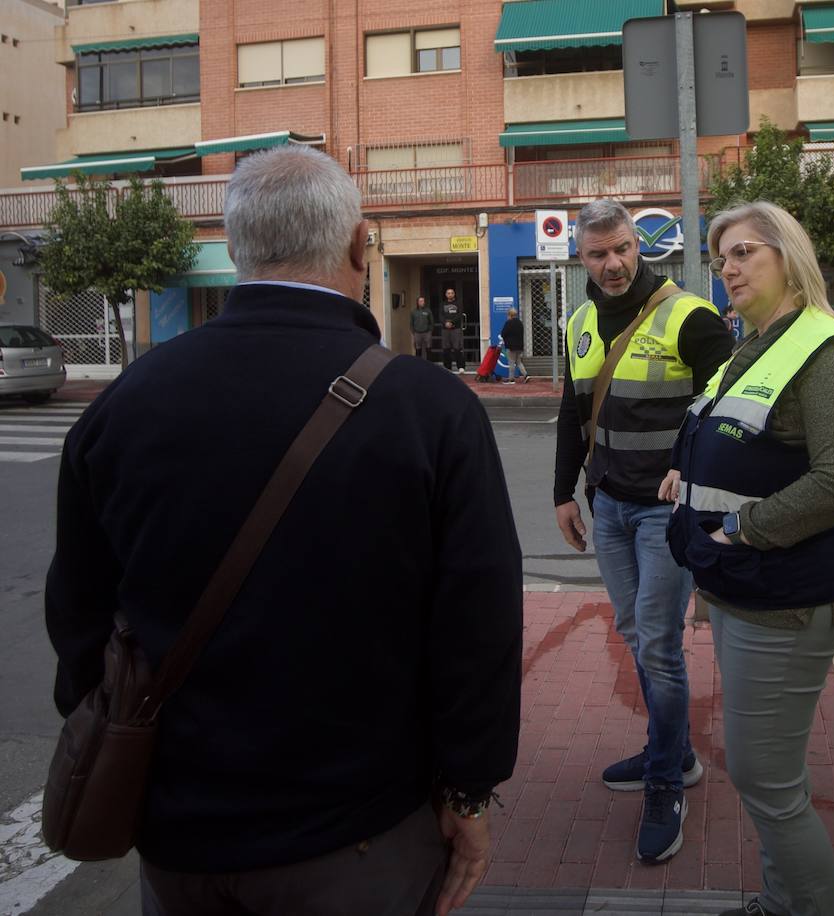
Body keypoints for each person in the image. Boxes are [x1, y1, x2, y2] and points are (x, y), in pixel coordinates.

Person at [45, 145, 524, 916]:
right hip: (360, 831)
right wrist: (469, 790)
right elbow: (478, 625)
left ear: (234, 249)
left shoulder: (127, 402)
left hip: (179, 830)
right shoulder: (428, 409)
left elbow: (78, 613)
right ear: (360, 244)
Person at [662, 201, 834, 916]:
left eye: (744, 251)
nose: (728, 267)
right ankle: (783, 903)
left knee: (766, 783)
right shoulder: (752, 344)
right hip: (742, 589)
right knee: (769, 775)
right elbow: (737, 440)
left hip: (785, 595)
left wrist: (738, 531)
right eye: (722, 256)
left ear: (788, 255)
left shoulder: (825, 350)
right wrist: (685, 479)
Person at [553, 198, 734, 864]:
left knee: (657, 645)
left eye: (622, 248)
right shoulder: (577, 322)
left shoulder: (689, 316)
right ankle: (675, 750)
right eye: (598, 253)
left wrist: (692, 470)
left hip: (666, 515)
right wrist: (562, 495)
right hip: (609, 509)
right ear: (583, 258)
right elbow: (573, 416)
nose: (612, 263)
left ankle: (666, 782)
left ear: (641, 246)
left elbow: (733, 409)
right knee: (635, 633)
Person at [441, 287, 466, 373]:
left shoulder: (458, 303)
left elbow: (459, 315)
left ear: (454, 294)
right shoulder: (442, 304)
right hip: (445, 329)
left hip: (456, 328)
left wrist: (451, 322)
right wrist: (445, 323)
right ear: (446, 295)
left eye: (451, 293)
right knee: (446, 348)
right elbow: (440, 315)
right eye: (448, 293)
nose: (450, 294)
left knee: (457, 348)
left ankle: (461, 367)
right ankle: (447, 367)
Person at [500, 306, 527, 384]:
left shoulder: (508, 323)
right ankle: (526, 375)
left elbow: (503, 333)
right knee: (518, 362)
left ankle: (511, 379)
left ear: (510, 315)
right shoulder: (520, 323)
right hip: (519, 346)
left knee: (511, 362)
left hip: (511, 346)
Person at [411, 294, 433, 362]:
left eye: (423, 301)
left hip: (427, 332)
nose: (422, 302)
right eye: (420, 301)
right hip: (417, 333)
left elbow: (431, 321)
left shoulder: (428, 311)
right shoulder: (413, 311)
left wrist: (430, 330)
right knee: (418, 349)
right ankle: (418, 363)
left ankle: (429, 363)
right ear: (417, 302)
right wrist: (413, 332)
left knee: (428, 348)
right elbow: (411, 323)